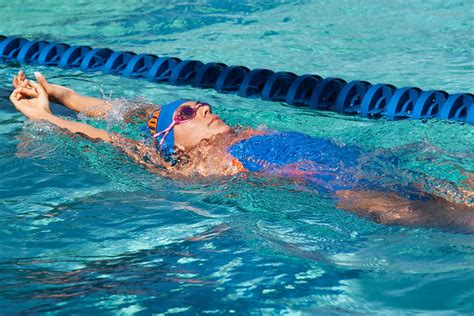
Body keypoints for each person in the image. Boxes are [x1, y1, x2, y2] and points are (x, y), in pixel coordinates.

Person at [9, 70, 474, 231]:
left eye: (202, 103)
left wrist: (68, 96)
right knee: (413, 215)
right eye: (189, 111)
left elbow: (136, 111)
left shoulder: (234, 131)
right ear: (174, 141)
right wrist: (49, 118)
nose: (205, 106)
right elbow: (117, 139)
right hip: (344, 190)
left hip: (371, 161)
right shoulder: (196, 164)